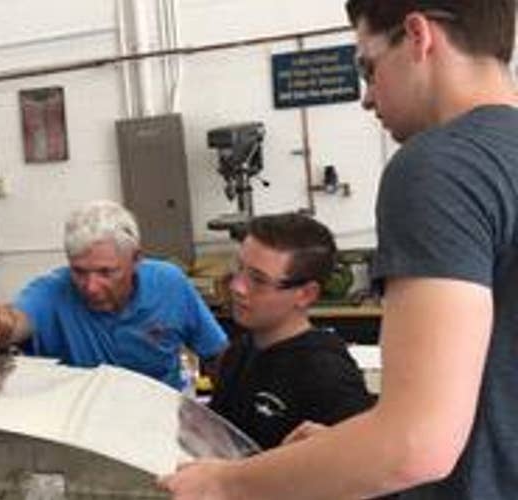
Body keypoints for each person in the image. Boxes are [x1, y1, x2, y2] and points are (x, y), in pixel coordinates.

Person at [159, 1, 518, 498]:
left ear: (418, 36)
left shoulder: (442, 166)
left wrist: (226, 483)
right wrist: (346, 450)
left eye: (368, 68)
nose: (367, 98)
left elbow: (417, 444)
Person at [0, 199, 227, 390]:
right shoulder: (52, 292)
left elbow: (217, 354)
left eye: (106, 272)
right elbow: (17, 321)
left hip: (159, 425)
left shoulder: (170, 285)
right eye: (79, 271)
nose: (91, 287)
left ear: (136, 259)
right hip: (83, 433)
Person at [208, 213, 373, 450]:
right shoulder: (239, 352)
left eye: (258, 280)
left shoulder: (327, 376)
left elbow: (366, 461)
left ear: (305, 294)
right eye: (239, 268)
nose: (237, 287)